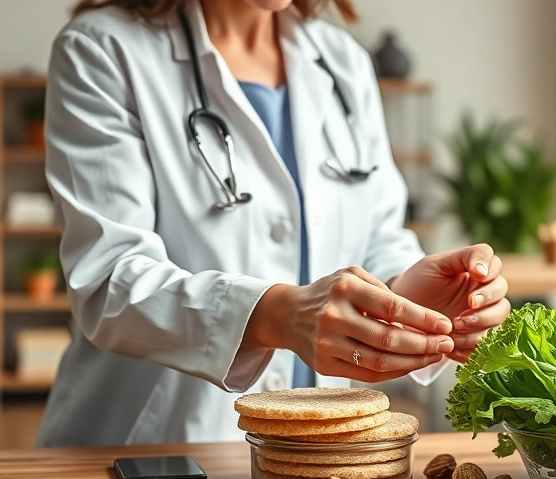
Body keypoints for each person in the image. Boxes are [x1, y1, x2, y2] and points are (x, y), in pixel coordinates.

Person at [35, 0, 510, 447]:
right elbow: (110, 280)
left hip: (318, 451)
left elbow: (379, 236)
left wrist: (407, 298)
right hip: (153, 450)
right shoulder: (101, 50)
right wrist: (274, 316)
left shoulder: (340, 60)